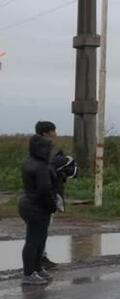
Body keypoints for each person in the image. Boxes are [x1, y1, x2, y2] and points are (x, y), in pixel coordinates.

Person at [34, 121, 76, 270]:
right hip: (42, 196)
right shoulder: (42, 151)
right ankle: (38, 260)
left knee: (42, 229)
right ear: (46, 133)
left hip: (44, 194)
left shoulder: (41, 150)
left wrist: (60, 173)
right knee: (40, 229)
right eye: (53, 131)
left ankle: (40, 257)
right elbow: (44, 172)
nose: (56, 134)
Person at [18, 133, 58, 285]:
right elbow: (44, 190)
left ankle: (37, 269)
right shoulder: (40, 166)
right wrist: (53, 205)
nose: (49, 151)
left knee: (39, 239)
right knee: (34, 241)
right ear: (41, 149)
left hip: (28, 204)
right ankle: (28, 274)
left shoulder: (29, 161)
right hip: (37, 207)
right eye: (48, 148)